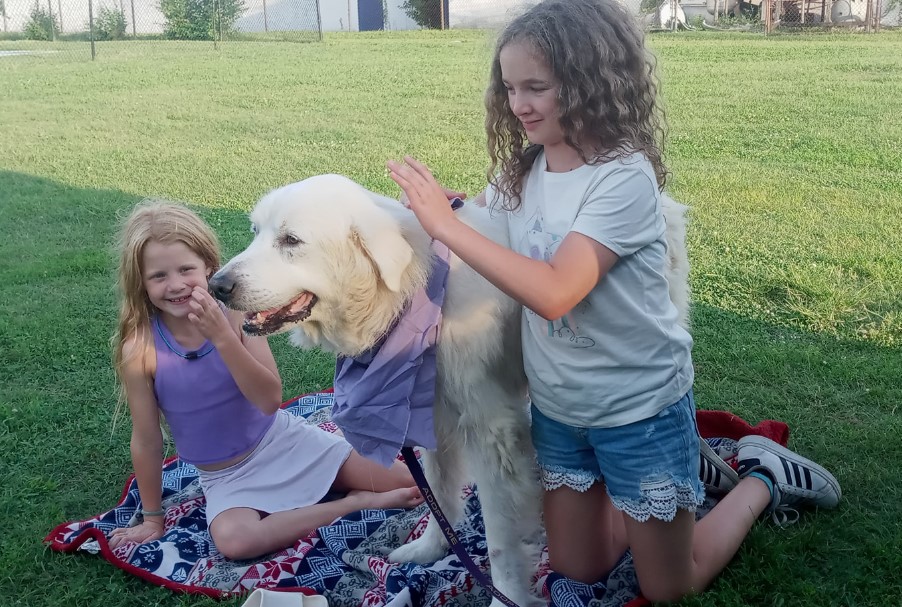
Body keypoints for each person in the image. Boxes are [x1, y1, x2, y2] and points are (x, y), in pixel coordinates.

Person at [387, 0, 841, 601]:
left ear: (589, 83)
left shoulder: (623, 178)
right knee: (580, 571)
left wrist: (449, 230)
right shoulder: (520, 174)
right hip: (560, 412)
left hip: (638, 410)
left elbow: (554, 292)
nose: (518, 103)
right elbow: (494, 250)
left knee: (668, 587)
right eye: (509, 87)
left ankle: (762, 479)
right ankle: (664, 496)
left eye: (537, 87)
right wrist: (459, 215)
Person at [107, 200, 423, 560]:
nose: (176, 285)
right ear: (141, 282)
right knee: (235, 542)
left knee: (411, 482)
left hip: (285, 444)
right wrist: (151, 518)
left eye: (185, 269)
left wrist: (222, 337)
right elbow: (146, 440)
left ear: (209, 267)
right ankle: (353, 506)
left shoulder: (238, 315)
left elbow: (269, 398)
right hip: (228, 478)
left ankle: (335, 491)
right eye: (159, 276)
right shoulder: (141, 347)